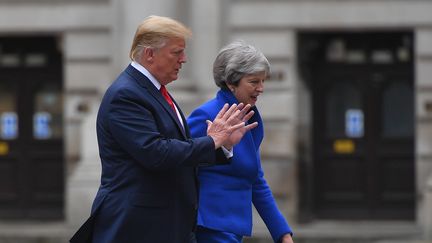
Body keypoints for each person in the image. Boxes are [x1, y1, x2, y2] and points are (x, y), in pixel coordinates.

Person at [70, 16, 258, 243]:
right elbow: (155, 153)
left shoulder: (154, 91)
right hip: (138, 227)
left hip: (166, 223)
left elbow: (178, 153)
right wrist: (212, 141)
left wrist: (224, 145)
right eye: (177, 52)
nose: (184, 59)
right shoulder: (126, 94)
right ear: (150, 54)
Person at [187, 41, 294, 243]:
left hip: (232, 227)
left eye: (263, 81)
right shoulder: (208, 115)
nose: (261, 88)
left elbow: (254, 178)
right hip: (208, 227)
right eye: (254, 81)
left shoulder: (249, 116)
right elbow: (178, 160)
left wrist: (282, 233)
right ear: (231, 83)